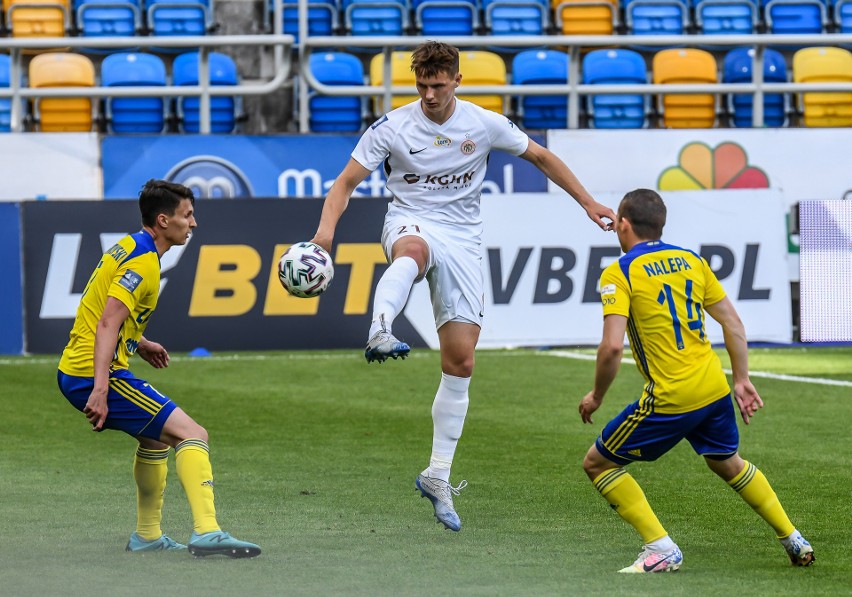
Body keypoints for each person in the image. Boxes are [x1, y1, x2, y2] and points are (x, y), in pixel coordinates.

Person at [311, 41, 615, 532]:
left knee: (461, 361)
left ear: (456, 80)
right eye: (422, 85)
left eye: (438, 84)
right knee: (411, 254)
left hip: (464, 239)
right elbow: (344, 183)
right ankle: (380, 327)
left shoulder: (482, 122)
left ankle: (437, 475)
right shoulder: (391, 127)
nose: (430, 95)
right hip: (410, 220)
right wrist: (325, 234)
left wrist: (587, 202)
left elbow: (540, 157)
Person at [578, 188, 814, 573]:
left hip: (672, 396)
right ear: (661, 224)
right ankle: (793, 538)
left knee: (598, 464)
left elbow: (611, 349)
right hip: (714, 385)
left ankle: (660, 547)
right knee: (728, 463)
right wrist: (741, 379)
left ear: (622, 224)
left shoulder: (618, 272)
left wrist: (596, 395)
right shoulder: (691, 260)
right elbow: (733, 323)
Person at [57, 179, 261, 558]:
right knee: (192, 433)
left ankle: (147, 536)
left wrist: (141, 342)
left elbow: (105, 307)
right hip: (93, 374)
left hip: (80, 368)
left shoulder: (130, 244)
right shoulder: (143, 262)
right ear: (164, 220)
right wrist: (101, 388)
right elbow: (106, 322)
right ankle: (207, 531)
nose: (194, 223)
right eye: (187, 215)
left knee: (153, 439)